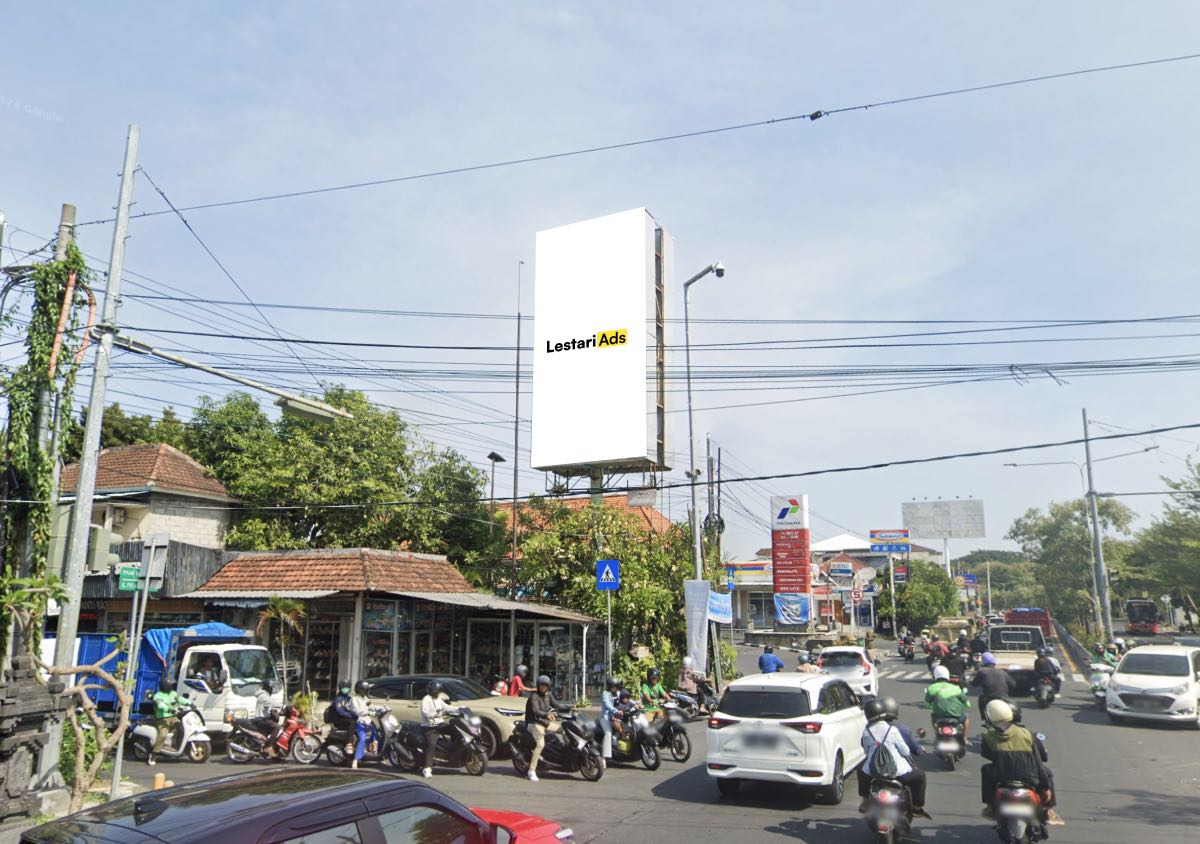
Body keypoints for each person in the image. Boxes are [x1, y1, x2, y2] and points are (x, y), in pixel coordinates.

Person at [980, 700, 1063, 825]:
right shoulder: (1027, 734)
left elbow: (986, 754)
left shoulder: (987, 737)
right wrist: (1046, 788)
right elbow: (1039, 761)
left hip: (1002, 777)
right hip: (1030, 779)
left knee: (985, 769)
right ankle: (1049, 810)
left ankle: (990, 806)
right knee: (1047, 772)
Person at [856, 696, 930, 817]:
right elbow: (906, 751)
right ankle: (917, 806)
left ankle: (865, 800)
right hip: (898, 773)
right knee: (920, 777)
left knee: (860, 770)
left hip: (874, 773)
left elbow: (867, 751)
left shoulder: (866, 731)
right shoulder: (894, 730)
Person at [524, 675, 567, 782]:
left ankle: (567, 753)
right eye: (541, 685)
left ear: (548, 686)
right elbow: (535, 711)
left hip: (544, 723)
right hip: (534, 723)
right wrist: (546, 715)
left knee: (565, 730)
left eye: (545, 685)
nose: (543, 687)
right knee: (541, 744)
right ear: (538, 686)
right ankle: (531, 771)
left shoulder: (549, 695)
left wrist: (570, 707)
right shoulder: (534, 696)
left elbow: (557, 705)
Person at [925, 666, 970, 741]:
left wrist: (931, 706)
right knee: (966, 719)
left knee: (932, 717)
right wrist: (965, 705)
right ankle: (964, 738)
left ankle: (936, 734)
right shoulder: (956, 688)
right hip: (956, 716)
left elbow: (927, 703)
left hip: (939, 717)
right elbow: (967, 703)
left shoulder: (931, 688)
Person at [149, 678, 186, 765]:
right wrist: (169, 709)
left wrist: (190, 703)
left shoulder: (172, 693)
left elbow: (180, 699)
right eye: (171, 685)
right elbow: (161, 705)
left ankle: (176, 746)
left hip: (172, 717)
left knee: (180, 726)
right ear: (166, 686)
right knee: (163, 734)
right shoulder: (158, 695)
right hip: (162, 718)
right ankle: (154, 754)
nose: (172, 687)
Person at [419, 680, 450, 778]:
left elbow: (446, 707)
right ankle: (427, 768)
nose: (436, 693)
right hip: (429, 726)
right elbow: (426, 713)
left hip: (439, 724)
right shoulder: (426, 699)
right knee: (431, 744)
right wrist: (434, 715)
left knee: (454, 729)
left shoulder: (438, 699)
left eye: (438, 691)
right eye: (435, 691)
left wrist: (459, 708)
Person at [971, 652, 1017, 717]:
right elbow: (1013, 684)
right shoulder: (1002, 672)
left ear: (983, 661)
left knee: (981, 698)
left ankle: (983, 718)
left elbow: (974, 684)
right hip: (1003, 697)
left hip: (989, 697)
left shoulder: (982, 671)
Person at [349, 680, 376, 769]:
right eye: (363, 689)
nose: (364, 691)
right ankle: (355, 760)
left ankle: (374, 754)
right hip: (359, 722)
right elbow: (356, 711)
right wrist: (367, 713)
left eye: (366, 690)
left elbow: (372, 706)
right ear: (358, 690)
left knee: (376, 734)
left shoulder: (366, 698)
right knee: (362, 738)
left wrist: (381, 708)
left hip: (367, 722)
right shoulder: (354, 699)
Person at [599, 677, 620, 759]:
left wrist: (636, 703)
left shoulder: (618, 693)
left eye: (616, 686)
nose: (615, 688)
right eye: (613, 686)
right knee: (608, 734)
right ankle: (604, 757)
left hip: (616, 716)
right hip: (605, 717)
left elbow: (626, 700)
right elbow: (608, 705)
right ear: (609, 686)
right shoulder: (605, 693)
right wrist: (616, 711)